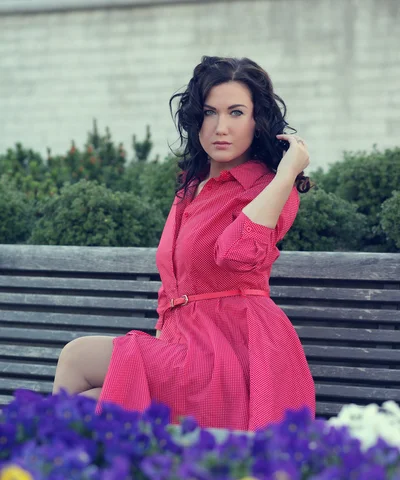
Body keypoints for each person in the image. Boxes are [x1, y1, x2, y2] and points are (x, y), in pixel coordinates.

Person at [52, 55, 316, 430]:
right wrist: (163, 337)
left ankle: (34, 469)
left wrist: (288, 171)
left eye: (236, 112)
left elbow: (236, 253)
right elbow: (173, 279)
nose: (220, 127)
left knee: (77, 357)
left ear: (258, 122)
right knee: (91, 408)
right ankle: (53, 476)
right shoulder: (192, 188)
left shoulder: (270, 189)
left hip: (235, 356)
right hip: (182, 349)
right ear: (195, 119)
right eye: (209, 113)